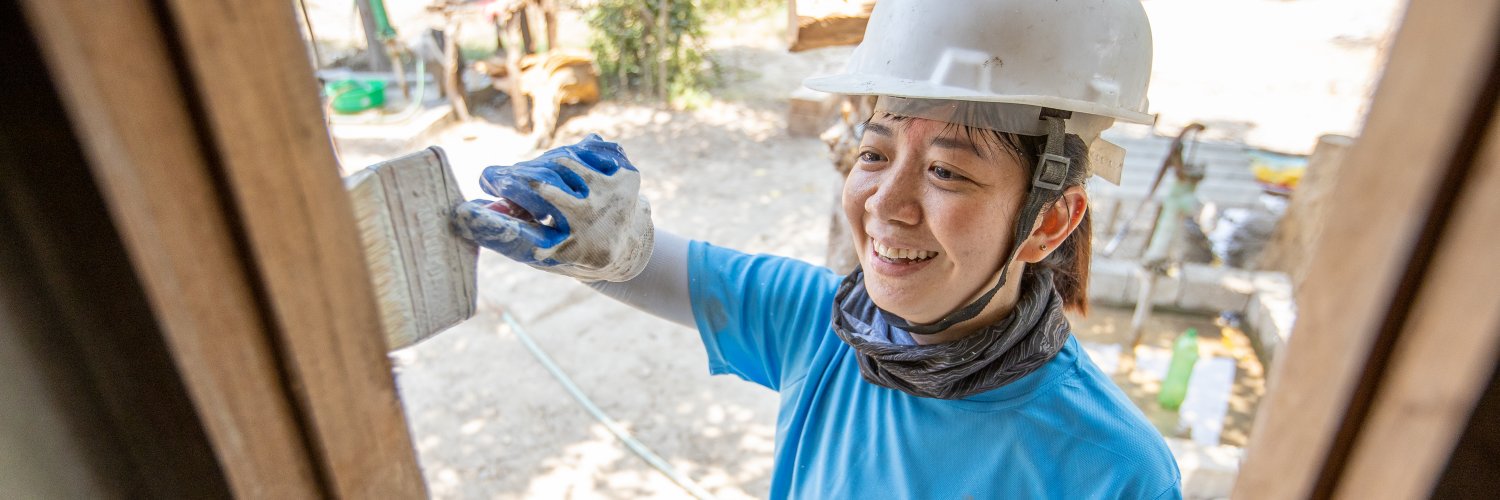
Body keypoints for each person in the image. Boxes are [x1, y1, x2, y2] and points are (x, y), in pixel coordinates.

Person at [452, 0, 1182, 497]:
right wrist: (597, 237)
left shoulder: (1111, 471)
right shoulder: (827, 328)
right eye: (874, 154)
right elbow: (643, 263)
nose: (886, 207)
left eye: (948, 172)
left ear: (1050, 222)